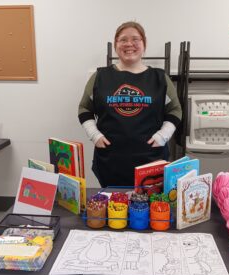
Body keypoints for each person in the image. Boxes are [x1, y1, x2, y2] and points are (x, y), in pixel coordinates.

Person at [78, 21, 182, 187]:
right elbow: (84, 108)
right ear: (116, 45)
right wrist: (94, 135)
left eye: (135, 39)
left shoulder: (160, 78)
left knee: (149, 210)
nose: (129, 44)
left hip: (151, 160)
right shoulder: (100, 77)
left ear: (144, 44)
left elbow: (175, 109)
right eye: (123, 40)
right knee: (114, 209)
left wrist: (163, 135)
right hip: (111, 160)